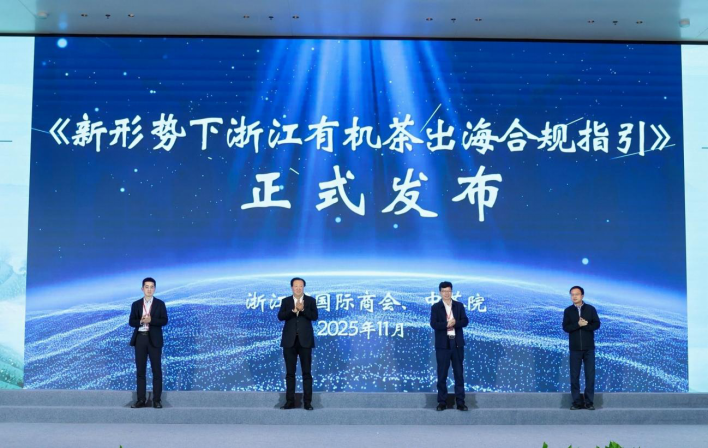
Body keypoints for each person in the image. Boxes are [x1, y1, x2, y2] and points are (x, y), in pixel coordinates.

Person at [278, 277, 318, 410]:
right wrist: (294, 311)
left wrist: (303, 309)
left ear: (303, 287)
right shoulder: (286, 301)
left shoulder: (310, 301)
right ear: (292, 288)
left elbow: (314, 316)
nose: (298, 288)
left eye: (301, 286)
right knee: (290, 374)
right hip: (289, 342)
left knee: (307, 373)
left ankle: (307, 402)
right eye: (296, 286)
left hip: (305, 342)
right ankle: (290, 401)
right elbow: (280, 316)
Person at [129, 277, 169, 409]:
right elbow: (131, 322)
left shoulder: (160, 304)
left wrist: (151, 320)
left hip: (154, 340)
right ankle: (141, 399)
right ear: (142, 289)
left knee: (156, 371)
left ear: (154, 289)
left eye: (152, 287)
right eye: (147, 287)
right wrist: (141, 321)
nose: (149, 289)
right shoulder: (136, 304)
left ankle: (157, 400)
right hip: (140, 339)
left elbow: (164, 320)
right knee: (140, 371)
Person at [430, 281, 469, 411]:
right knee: (442, 375)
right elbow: (434, 324)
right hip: (443, 345)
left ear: (452, 292)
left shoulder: (459, 306)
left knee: (459, 374)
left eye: (448, 291)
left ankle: (460, 402)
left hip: (457, 344)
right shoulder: (436, 307)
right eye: (444, 291)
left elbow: (465, 321)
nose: (446, 293)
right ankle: (442, 402)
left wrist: (455, 323)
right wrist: (446, 324)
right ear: (440, 292)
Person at [562, 285, 601, 410]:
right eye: (572, 294)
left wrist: (586, 325)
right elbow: (566, 327)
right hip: (574, 349)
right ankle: (577, 402)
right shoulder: (568, 311)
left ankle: (589, 402)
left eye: (577, 294)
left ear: (582, 296)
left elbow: (597, 324)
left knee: (590, 376)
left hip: (589, 348)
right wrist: (578, 324)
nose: (574, 296)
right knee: (574, 377)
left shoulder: (590, 309)